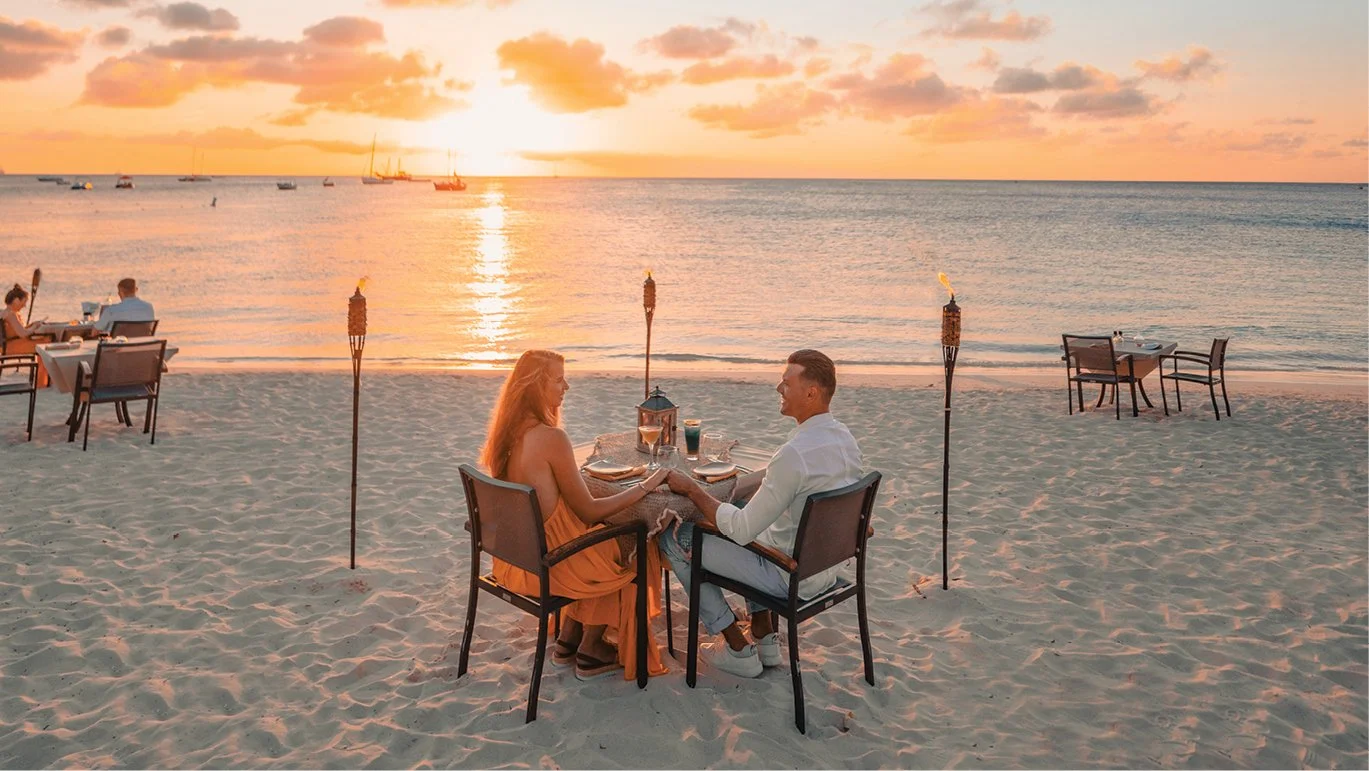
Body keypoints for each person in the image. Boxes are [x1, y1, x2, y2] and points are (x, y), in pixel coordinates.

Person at [660, 349, 863, 677]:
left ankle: (738, 649)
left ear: (811, 392)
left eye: (786, 383)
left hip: (789, 576)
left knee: (674, 538)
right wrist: (734, 491)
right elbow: (782, 484)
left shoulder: (793, 454)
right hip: (821, 567)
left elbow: (740, 530)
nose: (778, 390)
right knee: (741, 508)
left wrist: (692, 490)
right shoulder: (844, 439)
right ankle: (764, 635)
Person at [480, 349, 670, 681]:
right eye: (558, 379)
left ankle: (568, 638)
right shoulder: (551, 438)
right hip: (551, 566)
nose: (565, 386)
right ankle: (592, 648)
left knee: (604, 533)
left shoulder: (507, 434)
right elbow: (588, 509)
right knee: (639, 538)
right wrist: (646, 486)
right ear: (537, 386)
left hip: (514, 561)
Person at [2, 284, 51, 387]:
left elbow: (17, 331)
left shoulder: (5, 313)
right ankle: (42, 382)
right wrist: (35, 327)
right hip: (12, 346)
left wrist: (32, 325)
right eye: (23, 302)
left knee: (45, 341)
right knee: (46, 344)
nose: (24, 306)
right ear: (16, 300)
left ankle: (43, 380)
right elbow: (22, 333)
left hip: (8, 344)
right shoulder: (11, 315)